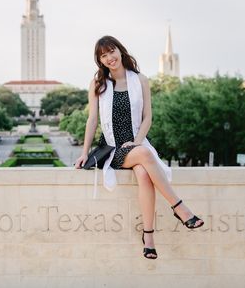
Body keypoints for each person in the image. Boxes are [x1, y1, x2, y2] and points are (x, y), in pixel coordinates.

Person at [74, 35, 204, 259]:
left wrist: (137, 140)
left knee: (144, 174)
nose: (109, 58)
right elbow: (92, 120)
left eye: (111, 51)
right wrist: (85, 152)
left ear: (120, 51)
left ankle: (149, 236)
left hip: (136, 144)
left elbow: (147, 117)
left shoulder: (141, 80)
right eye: (103, 56)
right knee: (143, 154)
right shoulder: (98, 84)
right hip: (113, 149)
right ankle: (179, 208)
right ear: (100, 61)